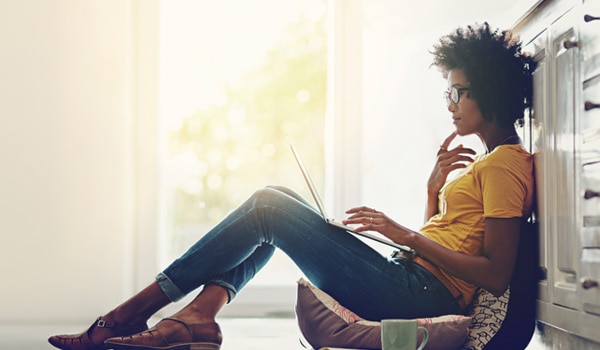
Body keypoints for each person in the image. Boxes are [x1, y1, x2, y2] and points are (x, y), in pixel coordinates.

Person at [49, 22, 537, 350]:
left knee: (267, 207)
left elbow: (494, 274)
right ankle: (199, 312)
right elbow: (456, 237)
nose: (449, 102)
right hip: (410, 278)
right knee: (280, 197)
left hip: (417, 292)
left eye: (457, 92)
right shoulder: (492, 162)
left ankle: (134, 311)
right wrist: (433, 194)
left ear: (487, 92)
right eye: (446, 91)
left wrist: (404, 234)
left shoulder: (503, 165)